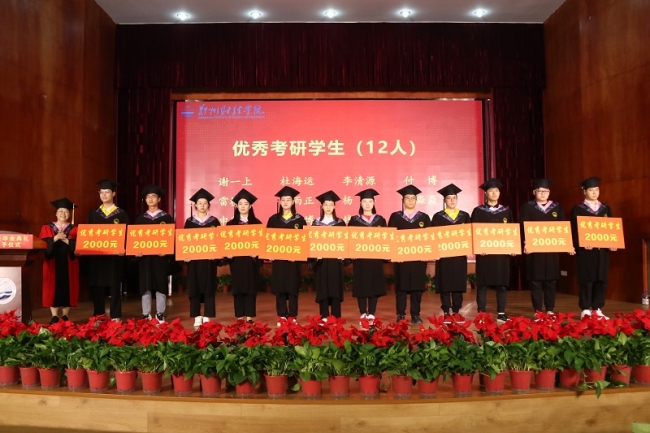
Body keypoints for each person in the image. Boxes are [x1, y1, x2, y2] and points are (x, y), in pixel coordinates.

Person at [519, 178, 574, 315]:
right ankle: (538, 310)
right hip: (534, 250)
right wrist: (526, 243)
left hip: (551, 251)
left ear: (549, 192)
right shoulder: (527, 207)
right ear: (534, 192)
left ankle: (550, 309)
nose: (543, 194)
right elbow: (522, 226)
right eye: (540, 191)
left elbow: (563, 227)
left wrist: (568, 245)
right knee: (536, 281)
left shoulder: (556, 207)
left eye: (546, 191)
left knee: (551, 281)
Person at [570, 177, 615, 319]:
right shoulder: (578, 209)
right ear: (584, 191)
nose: (595, 192)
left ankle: (597, 308)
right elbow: (574, 230)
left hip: (602, 251)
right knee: (587, 280)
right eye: (591, 190)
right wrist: (581, 243)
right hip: (586, 251)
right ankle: (585, 308)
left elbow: (611, 229)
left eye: (597, 189)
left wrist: (613, 242)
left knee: (601, 279)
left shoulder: (605, 208)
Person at [471, 178, 514, 323]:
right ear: (486, 193)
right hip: (485, 254)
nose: (494, 193)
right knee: (482, 285)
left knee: (501, 284)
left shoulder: (506, 211)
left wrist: (513, 247)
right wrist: (478, 247)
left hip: (501, 254)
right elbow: (474, 231)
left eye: (496, 190)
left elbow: (512, 231)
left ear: (499, 193)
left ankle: (501, 313)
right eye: (491, 190)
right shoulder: (478, 211)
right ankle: (481, 313)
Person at [85, 179, 129, 320]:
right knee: (97, 286)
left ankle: (116, 315)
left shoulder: (121, 214)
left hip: (114, 257)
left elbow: (126, 234)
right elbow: (87, 235)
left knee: (115, 286)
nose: (104, 195)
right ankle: (99, 315)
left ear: (113, 194)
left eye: (107, 192)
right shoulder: (93, 213)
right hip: (98, 256)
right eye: (101, 192)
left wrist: (123, 248)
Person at [388, 185, 431, 324]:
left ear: (416, 200)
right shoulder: (395, 217)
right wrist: (395, 254)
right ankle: (400, 314)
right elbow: (391, 238)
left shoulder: (424, 217)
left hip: (418, 260)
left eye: (413, 198)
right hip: (402, 260)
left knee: (417, 289)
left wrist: (426, 254)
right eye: (407, 198)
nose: (410, 201)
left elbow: (429, 238)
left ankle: (415, 315)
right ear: (403, 200)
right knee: (401, 288)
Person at [431, 184, 471, 323]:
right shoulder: (438, 217)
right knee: (445, 284)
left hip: (459, 257)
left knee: (458, 284)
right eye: (449, 198)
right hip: (444, 257)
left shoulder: (464, 216)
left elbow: (469, 235)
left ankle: (456, 311)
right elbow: (433, 237)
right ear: (444, 200)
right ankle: (446, 311)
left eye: (454, 198)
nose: (452, 200)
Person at [134, 185, 174, 322]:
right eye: (148, 197)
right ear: (145, 200)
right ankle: (146, 313)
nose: (150, 199)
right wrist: (136, 251)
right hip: (144, 258)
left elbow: (171, 238)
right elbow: (135, 239)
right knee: (145, 285)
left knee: (160, 284)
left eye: (153, 196)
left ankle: (160, 313)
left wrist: (167, 251)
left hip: (160, 257)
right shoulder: (140, 219)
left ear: (159, 199)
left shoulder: (166, 218)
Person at [266, 186, 306, 325]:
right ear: (280, 202)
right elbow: (268, 240)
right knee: (280, 289)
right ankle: (282, 316)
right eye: (283, 200)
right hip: (278, 261)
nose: (285, 202)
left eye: (288, 200)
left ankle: (292, 316)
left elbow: (304, 241)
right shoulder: (273, 219)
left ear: (293, 202)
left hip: (293, 262)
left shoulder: (300, 220)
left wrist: (298, 255)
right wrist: (269, 253)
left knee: (292, 289)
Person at [348, 188, 387, 326]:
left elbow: (385, 239)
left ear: (374, 202)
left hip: (375, 259)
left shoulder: (380, 220)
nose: (367, 204)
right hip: (360, 259)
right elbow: (349, 239)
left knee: (374, 285)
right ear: (360, 203)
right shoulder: (354, 220)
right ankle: (363, 313)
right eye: (364, 201)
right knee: (361, 286)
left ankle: (372, 313)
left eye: (370, 201)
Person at [184, 188, 220, 327]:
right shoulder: (190, 222)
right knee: (194, 288)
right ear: (195, 205)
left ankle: (207, 315)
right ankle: (197, 316)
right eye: (200, 203)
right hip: (194, 262)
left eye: (205, 203)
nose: (202, 205)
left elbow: (219, 241)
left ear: (208, 205)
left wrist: (216, 255)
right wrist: (185, 256)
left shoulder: (214, 221)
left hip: (209, 262)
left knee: (209, 288)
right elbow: (184, 242)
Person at [39, 198, 79, 324]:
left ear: (69, 214)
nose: (63, 214)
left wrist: (67, 240)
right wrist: (55, 238)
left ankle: (65, 315)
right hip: (52, 262)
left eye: (66, 211)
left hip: (69, 262)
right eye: (60, 211)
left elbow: (79, 246)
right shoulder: (47, 227)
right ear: (56, 213)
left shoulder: (75, 229)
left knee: (68, 287)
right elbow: (43, 245)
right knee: (52, 288)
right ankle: (54, 316)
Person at [225, 188, 262, 323]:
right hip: (237, 262)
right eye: (240, 204)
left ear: (250, 206)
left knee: (251, 288)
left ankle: (250, 316)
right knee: (238, 288)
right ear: (236, 206)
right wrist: (228, 254)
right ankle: (240, 316)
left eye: (246, 204)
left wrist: (257, 254)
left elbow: (261, 244)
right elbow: (226, 244)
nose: (243, 206)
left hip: (251, 262)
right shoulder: (231, 225)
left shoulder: (257, 224)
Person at [311, 190, 347, 320]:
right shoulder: (316, 223)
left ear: (334, 206)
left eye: (331, 204)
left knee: (335, 287)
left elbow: (345, 242)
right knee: (323, 288)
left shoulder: (340, 223)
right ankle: (324, 315)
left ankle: (336, 316)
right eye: (325, 204)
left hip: (335, 262)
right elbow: (311, 243)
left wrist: (343, 255)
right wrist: (315, 255)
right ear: (322, 206)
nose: (328, 207)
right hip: (321, 262)